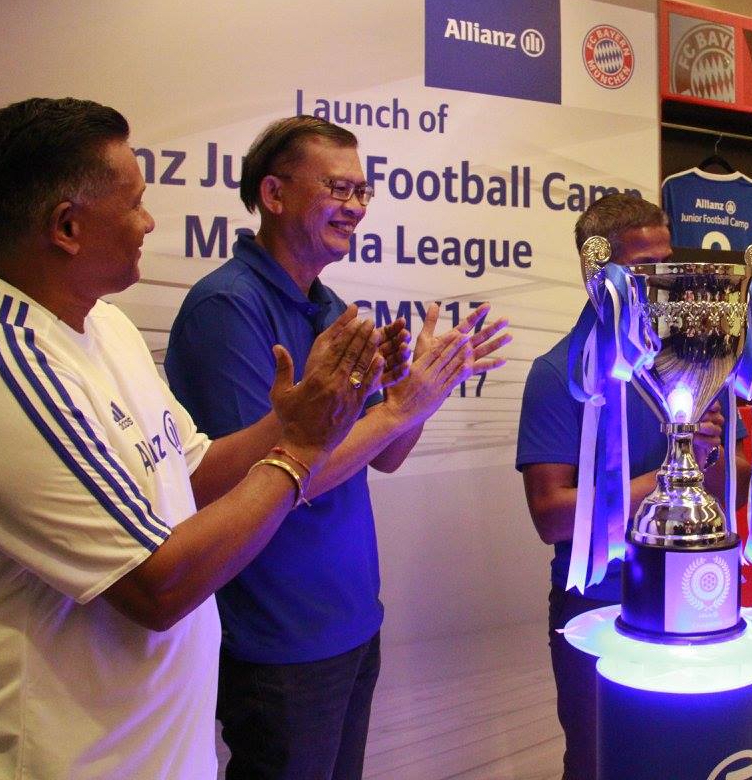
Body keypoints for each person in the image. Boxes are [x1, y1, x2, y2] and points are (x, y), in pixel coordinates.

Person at [0, 97, 406, 779]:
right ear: (67, 227)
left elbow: (198, 470)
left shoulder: (106, 327)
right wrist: (303, 448)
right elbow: (157, 588)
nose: (149, 221)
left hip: (157, 755)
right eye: (134, 204)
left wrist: (299, 417)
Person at [165, 115, 509, 780]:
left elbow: (386, 454)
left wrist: (422, 394)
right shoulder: (227, 307)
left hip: (351, 622)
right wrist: (399, 410)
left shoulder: (330, 309)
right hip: (278, 635)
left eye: (362, 191)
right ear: (273, 194)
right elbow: (271, 478)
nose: (355, 207)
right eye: (338, 189)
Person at [516, 192, 750, 780]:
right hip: (600, 603)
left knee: (683, 760)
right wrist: (666, 476)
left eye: (668, 262)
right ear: (601, 275)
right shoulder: (558, 373)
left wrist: (709, 455)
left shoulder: (700, 357)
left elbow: (737, 484)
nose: (664, 281)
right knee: (601, 761)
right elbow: (552, 515)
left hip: (694, 599)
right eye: (645, 267)